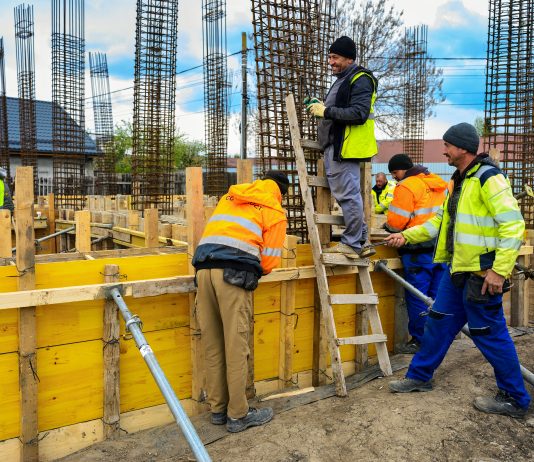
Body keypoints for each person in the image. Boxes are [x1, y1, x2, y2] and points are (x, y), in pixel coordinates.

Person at [386, 123, 531, 419]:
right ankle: (419, 377)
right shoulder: (457, 181)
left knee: (490, 334)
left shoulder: (489, 178)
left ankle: (515, 398)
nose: (444, 151)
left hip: (481, 275)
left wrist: (499, 271)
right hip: (457, 272)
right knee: (438, 323)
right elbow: (439, 223)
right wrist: (406, 236)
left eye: (448, 145)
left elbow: (513, 225)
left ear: (462, 148)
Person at [192, 170, 288, 432]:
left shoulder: (232, 196)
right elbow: (269, 261)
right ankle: (238, 415)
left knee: (213, 344)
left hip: (203, 271)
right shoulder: (274, 209)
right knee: (236, 346)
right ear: (281, 193)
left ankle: (218, 409)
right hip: (232, 276)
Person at [305, 36, 378, 259]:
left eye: (335, 57)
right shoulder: (344, 79)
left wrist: (326, 111)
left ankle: (352, 243)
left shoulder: (360, 79)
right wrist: (323, 106)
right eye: (329, 57)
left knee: (348, 196)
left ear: (349, 58)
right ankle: (361, 240)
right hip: (338, 146)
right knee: (347, 194)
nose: (331, 62)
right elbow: (341, 108)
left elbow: (358, 113)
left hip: (345, 147)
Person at [385, 154, 447, 353]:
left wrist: (389, 228)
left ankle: (420, 340)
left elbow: (396, 222)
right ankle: (438, 339)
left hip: (417, 248)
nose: (394, 177)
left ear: (403, 169)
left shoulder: (407, 186)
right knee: (437, 296)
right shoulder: (436, 182)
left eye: (395, 172)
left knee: (418, 295)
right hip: (439, 247)